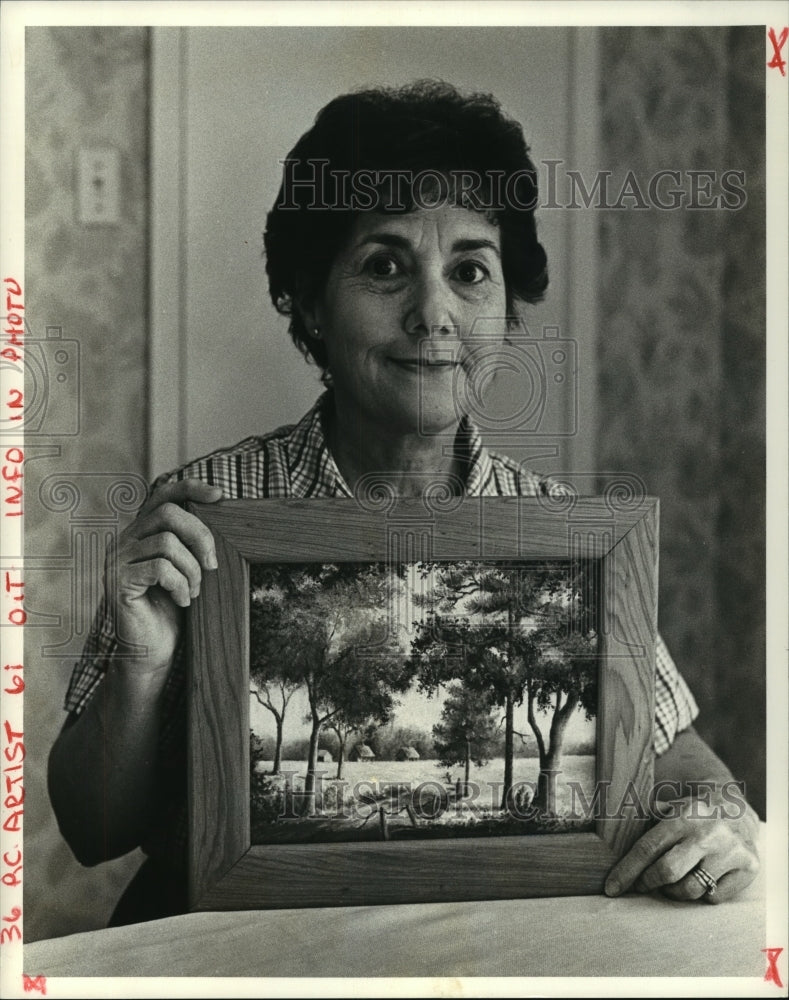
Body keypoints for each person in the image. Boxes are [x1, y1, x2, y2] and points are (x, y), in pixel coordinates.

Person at [48, 80, 760, 927]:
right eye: (383, 266)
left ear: (506, 303)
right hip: (235, 950)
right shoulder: (207, 516)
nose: (434, 314)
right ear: (309, 299)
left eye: (469, 271)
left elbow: (673, 748)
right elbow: (94, 831)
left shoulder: (562, 534)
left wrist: (720, 812)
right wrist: (141, 666)